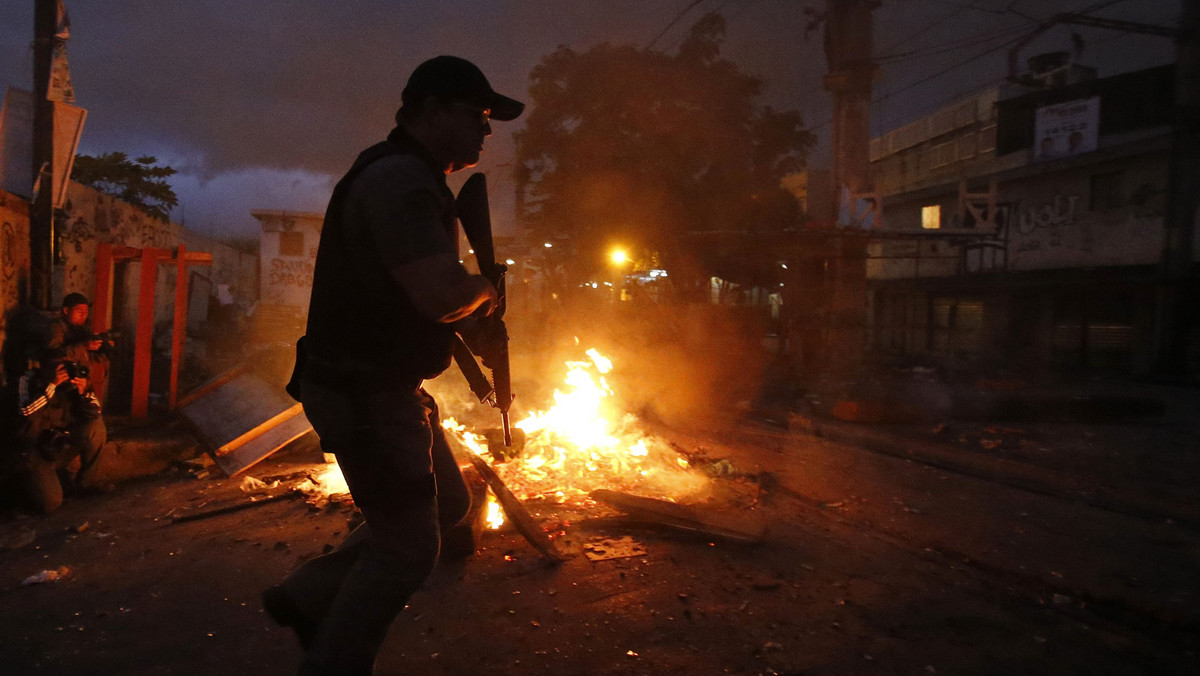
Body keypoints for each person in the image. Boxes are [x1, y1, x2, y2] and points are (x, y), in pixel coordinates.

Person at [262, 55, 523, 676]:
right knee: (408, 549)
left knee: (450, 506)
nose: (487, 131)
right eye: (477, 115)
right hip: (364, 391)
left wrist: (477, 326)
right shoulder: (401, 181)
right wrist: (484, 288)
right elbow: (437, 295)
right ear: (431, 111)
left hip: (382, 386)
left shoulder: (411, 178)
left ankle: (309, 596)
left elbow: (415, 299)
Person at [12, 348, 108, 513]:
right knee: (50, 503)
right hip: (36, 451)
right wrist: (52, 386)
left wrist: (82, 391)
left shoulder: (71, 381)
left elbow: (95, 411)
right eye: (56, 366)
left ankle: (88, 483)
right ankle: (28, 487)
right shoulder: (29, 379)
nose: (62, 371)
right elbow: (26, 412)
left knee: (95, 425)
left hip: (59, 445)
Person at [48, 293, 111, 406]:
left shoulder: (84, 329)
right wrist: (84, 346)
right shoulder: (56, 328)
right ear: (66, 310)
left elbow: (89, 356)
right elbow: (55, 353)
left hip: (82, 383)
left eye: (86, 312)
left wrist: (102, 349)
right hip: (61, 384)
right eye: (79, 311)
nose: (83, 315)